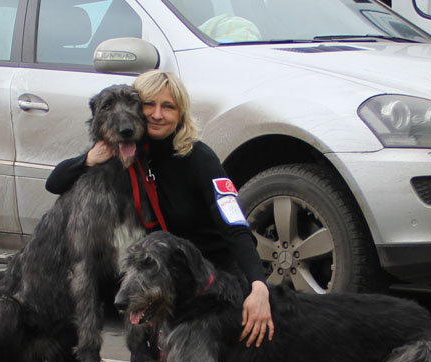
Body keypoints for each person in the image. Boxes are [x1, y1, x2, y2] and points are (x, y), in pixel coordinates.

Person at [46, 70, 274, 347]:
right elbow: (55, 182)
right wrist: (88, 159)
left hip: (215, 276)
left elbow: (235, 225)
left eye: (168, 107)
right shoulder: (132, 154)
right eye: (149, 105)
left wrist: (258, 286)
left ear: (181, 113)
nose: (156, 114)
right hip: (172, 276)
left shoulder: (199, 158)